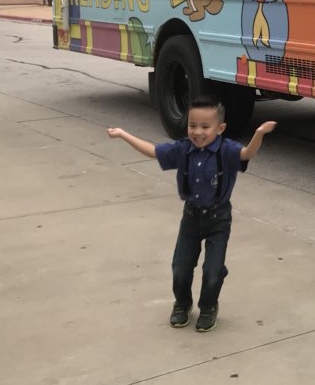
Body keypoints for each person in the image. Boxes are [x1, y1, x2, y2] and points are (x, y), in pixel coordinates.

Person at [107, 95, 277, 332]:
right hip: (191, 217)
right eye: (192, 125)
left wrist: (259, 134)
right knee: (181, 266)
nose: (197, 132)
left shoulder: (226, 150)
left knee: (212, 271)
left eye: (205, 127)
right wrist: (124, 134)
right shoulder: (183, 149)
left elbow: (247, 154)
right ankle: (182, 303)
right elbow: (154, 151)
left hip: (219, 218)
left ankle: (208, 306)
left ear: (220, 128)